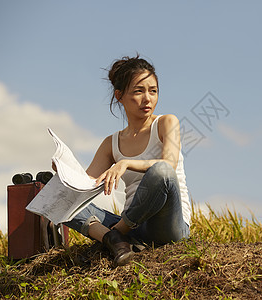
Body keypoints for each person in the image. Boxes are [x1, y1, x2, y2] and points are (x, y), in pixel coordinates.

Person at [62, 55, 191, 266]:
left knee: (161, 172)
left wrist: (125, 163)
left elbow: (169, 164)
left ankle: (114, 235)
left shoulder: (167, 122)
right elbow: (83, 187)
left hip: (169, 226)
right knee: (61, 193)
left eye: (153, 91)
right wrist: (65, 173)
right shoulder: (110, 143)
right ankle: (115, 239)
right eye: (139, 91)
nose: (147, 98)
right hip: (135, 227)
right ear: (119, 96)